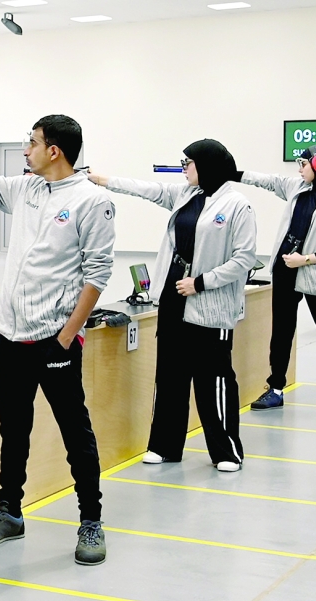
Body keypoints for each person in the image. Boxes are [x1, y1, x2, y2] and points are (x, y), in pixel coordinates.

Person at [0, 115, 116, 566]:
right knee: (14, 429)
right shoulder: (26, 189)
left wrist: (67, 336)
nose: (25, 150)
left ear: (54, 151)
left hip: (55, 341)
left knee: (75, 431)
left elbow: (98, 273)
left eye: (31, 143)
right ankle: (9, 510)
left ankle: (91, 519)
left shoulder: (92, 201)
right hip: (11, 336)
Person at [89, 139, 256, 471]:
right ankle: (165, 446)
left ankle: (226, 451)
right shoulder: (185, 195)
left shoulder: (238, 205)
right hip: (173, 300)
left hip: (210, 303)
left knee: (214, 379)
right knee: (169, 376)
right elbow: (146, 189)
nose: (183, 169)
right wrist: (104, 180)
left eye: (188, 163)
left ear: (206, 165)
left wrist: (202, 282)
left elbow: (245, 258)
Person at [240, 146, 316, 420]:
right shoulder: (298, 188)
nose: (299, 169)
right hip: (285, 271)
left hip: (315, 275)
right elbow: (267, 180)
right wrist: (232, 173)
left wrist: (307, 259)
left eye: (303, 164)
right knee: (281, 334)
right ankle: (275, 388)